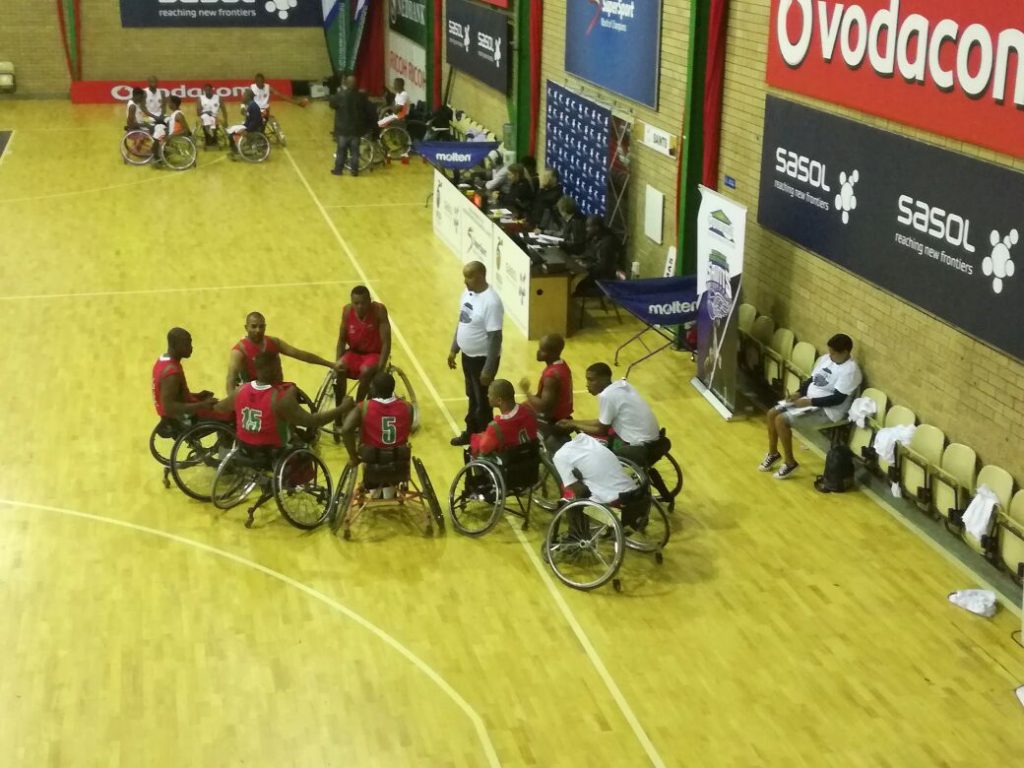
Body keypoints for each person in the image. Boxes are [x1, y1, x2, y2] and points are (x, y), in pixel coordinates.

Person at [557, 362, 672, 499]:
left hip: (638, 448)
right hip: (656, 440)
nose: (587, 384)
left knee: (598, 461)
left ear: (604, 379)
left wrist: (574, 425)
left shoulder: (607, 396)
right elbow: (602, 422)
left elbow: (600, 429)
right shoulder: (622, 386)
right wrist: (574, 422)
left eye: (591, 380)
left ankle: (597, 495)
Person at [760, 333, 863, 479]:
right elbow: (811, 380)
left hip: (827, 410)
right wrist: (798, 393)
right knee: (772, 413)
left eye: (833, 353)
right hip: (808, 401)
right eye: (830, 351)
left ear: (845, 352)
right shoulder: (827, 359)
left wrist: (810, 402)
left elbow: (837, 399)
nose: (830, 355)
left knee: (781, 420)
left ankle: (790, 463)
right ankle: (773, 453)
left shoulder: (851, 371)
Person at [214, 352, 350, 451]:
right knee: (306, 442)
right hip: (273, 452)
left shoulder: (240, 391)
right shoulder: (281, 398)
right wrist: (343, 408)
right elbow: (314, 421)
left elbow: (219, 408)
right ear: (276, 369)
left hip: (245, 448)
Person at [448, 261, 504, 446]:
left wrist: (488, 369)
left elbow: (495, 338)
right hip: (467, 357)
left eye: (469, 277)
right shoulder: (467, 293)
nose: (465, 281)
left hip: (482, 360)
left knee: (483, 404)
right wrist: (454, 348)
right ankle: (472, 433)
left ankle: (486, 441)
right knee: (472, 397)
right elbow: (462, 321)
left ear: (480, 276)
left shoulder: (492, 302)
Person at [226, 311, 340, 394]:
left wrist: (330, 364)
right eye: (254, 327)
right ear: (246, 327)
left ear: (265, 327)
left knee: (293, 392)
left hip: (274, 389)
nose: (258, 330)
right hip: (253, 392)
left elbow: (300, 354)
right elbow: (231, 378)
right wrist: (233, 405)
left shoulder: (274, 342)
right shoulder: (239, 351)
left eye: (261, 327)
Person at [152, 328, 230, 424]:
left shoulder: (163, 361)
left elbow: (176, 396)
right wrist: (202, 405)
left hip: (179, 413)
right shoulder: (172, 374)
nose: (191, 347)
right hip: (183, 418)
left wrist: (198, 395)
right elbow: (169, 408)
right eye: (187, 344)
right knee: (231, 413)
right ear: (175, 345)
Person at [339, 370, 414, 469]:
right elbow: (408, 429)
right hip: (399, 456)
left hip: (371, 456)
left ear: (373, 389)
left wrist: (353, 457)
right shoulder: (408, 407)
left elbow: (346, 429)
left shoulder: (364, 407)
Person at [335, 285, 391, 403]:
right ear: (352, 302)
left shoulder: (379, 311)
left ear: (369, 301)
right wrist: (337, 362)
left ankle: (359, 405)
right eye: (356, 303)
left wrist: (381, 368)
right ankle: (339, 408)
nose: (360, 306)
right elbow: (341, 340)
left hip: (374, 354)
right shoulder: (347, 311)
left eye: (363, 303)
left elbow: (386, 343)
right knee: (340, 367)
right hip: (353, 353)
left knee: (365, 370)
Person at [518, 334, 573, 451]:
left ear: (552, 353)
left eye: (542, 350)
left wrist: (526, 392)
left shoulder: (551, 376)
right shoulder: (562, 364)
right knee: (521, 407)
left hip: (553, 419)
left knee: (515, 415)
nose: (538, 352)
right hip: (563, 414)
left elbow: (543, 407)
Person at [552, 433, 635, 506]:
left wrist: (580, 481)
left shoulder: (559, 456)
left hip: (613, 500)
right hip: (632, 489)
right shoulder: (585, 438)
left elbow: (582, 493)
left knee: (571, 503)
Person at [471, 379, 539, 457]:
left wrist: (477, 439)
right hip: (532, 458)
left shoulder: (495, 427)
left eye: (490, 394)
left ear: (499, 401)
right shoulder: (529, 408)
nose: (487, 396)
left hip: (512, 462)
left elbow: (483, 449)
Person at [329, 74, 369, 177]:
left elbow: (332, 104)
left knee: (341, 151)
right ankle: (354, 171)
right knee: (355, 152)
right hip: (355, 129)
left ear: (346, 83)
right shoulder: (360, 96)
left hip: (343, 129)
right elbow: (365, 109)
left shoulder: (340, 95)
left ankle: (338, 170)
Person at [574, 216, 621, 297]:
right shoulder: (595, 238)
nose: (586, 229)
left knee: (573, 285)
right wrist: (580, 259)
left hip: (601, 279)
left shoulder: (607, 243)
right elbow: (590, 254)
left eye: (588, 227)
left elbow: (603, 267)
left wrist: (586, 266)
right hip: (594, 272)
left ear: (596, 227)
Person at [227, 90, 264, 154]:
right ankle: (235, 149)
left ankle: (236, 150)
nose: (242, 97)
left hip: (253, 129)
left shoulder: (253, 106)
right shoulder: (250, 105)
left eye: (244, 95)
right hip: (249, 126)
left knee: (231, 134)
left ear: (248, 97)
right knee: (231, 130)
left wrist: (247, 130)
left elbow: (255, 121)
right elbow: (249, 119)